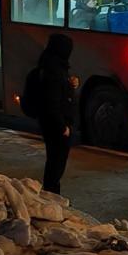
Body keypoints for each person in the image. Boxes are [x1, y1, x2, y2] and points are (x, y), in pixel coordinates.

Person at [36, 33, 78, 195]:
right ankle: (51, 197)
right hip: (57, 126)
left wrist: (70, 84)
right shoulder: (53, 71)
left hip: (53, 124)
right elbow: (52, 102)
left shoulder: (52, 65)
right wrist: (63, 127)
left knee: (55, 162)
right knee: (56, 163)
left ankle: (52, 195)